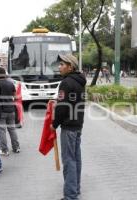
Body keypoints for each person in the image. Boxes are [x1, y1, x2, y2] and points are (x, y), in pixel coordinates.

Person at [50, 54, 86, 200]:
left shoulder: (66, 83)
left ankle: (70, 195)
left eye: (62, 64)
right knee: (76, 158)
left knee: (69, 160)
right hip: (78, 125)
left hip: (69, 126)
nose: (59, 67)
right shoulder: (80, 81)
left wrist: (54, 124)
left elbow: (62, 107)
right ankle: (75, 188)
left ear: (70, 67)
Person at [0, 67, 20, 156]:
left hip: (1, 110)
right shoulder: (10, 83)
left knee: (1, 130)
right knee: (12, 129)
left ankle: (4, 150)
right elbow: (15, 96)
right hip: (11, 109)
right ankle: (16, 148)